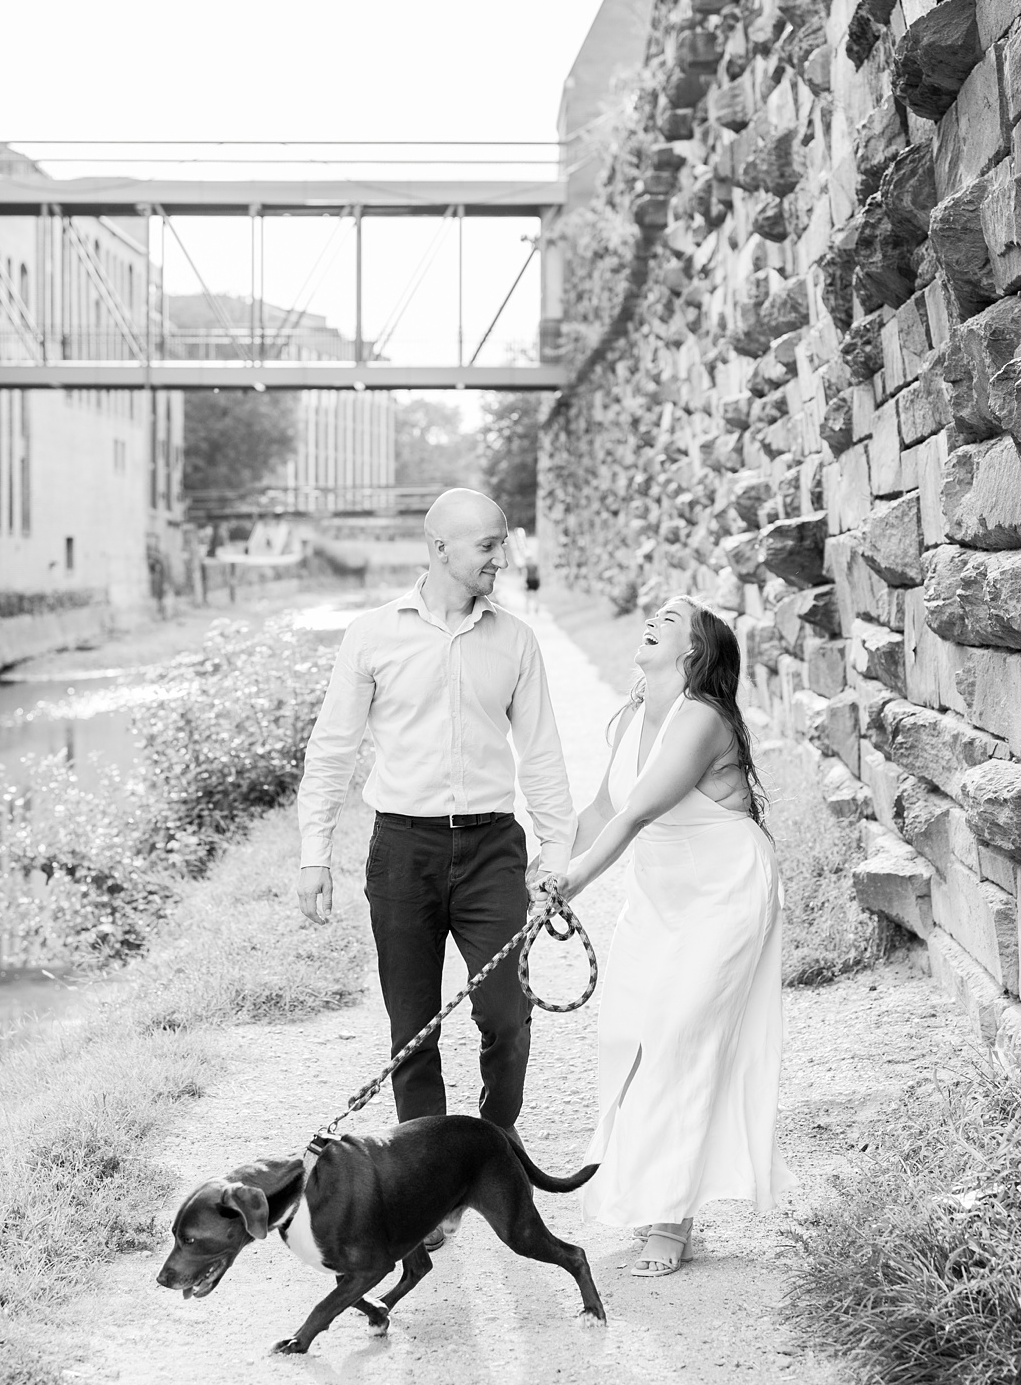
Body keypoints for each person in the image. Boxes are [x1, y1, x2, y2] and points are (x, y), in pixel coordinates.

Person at [295, 488, 575, 1150]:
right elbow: (333, 746)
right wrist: (315, 852)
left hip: (492, 851)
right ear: (440, 547)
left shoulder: (515, 639)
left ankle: (492, 1144)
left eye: (503, 542)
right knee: (413, 1029)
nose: (502, 558)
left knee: (507, 1014)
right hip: (402, 850)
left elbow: (541, 751)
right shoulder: (372, 634)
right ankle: (427, 1168)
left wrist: (558, 850)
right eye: (488, 545)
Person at [559, 595, 790, 1276]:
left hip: (724, 892)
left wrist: (576, 878)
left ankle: (671, 1218)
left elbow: (633, 814)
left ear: (694, 649)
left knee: (683, 1038)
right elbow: (599, 807)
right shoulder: (635, 714)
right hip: (660, 894)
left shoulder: (701, 718)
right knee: (627, 1036)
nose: (653, 618)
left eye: (671, 616)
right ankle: (649, 1187)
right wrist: (545, 883)